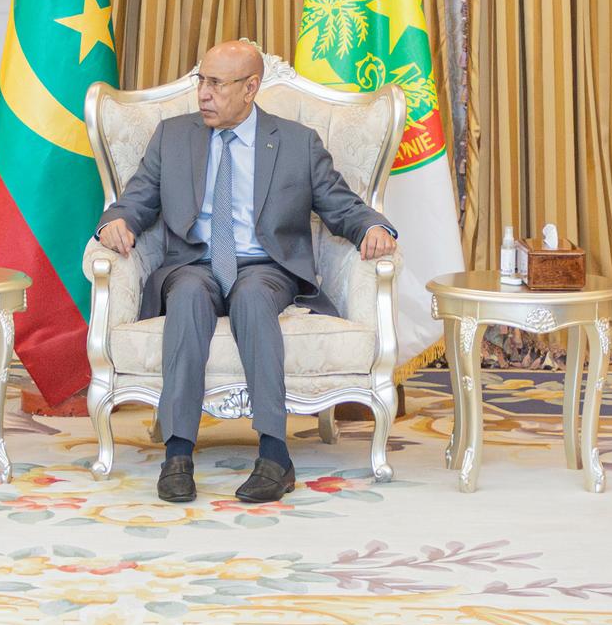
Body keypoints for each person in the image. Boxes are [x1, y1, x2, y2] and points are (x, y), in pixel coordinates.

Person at [95, 40, 398, 504]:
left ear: (250, 88)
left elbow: (341, 206)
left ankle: (275, 455)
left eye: (217, 84)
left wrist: (373, 228)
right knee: (188, 296)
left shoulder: (297, 142)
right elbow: (137, 198)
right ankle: (177, 455)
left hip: (264, 266)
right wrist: (115, 221)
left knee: (254, 297)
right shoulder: (172, 136)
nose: (203, 94)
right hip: (194, 263)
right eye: (202, 81)